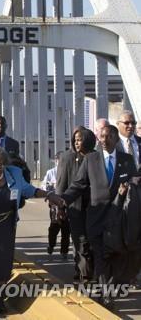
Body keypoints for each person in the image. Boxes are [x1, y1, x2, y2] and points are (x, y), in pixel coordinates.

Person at [0, 147, 62, 313]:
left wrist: (48, 195)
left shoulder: (14, 174)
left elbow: (29, 190)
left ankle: (0, 299)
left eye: (1, 164)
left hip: (5, 227)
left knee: (3, 265)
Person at [58, 125, 137, 309]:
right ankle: (106, 294)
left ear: (116, 139)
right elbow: (78, 185)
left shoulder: (127, 160)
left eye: (108, 136)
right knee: (101, 257)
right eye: (101, 136)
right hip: (97, 219)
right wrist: (62, 200)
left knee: (117, 258)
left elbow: (136, 182)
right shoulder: (91, 159)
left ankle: (108, 290)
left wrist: (129, 187)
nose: (104, 139)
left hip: (120, 220)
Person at [56, 127, 96, 282]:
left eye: (80, 139)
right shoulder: (67, 157)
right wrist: (59, 206)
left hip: (94, 206)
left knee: (91, 241)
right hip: (75, 206)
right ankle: (83, 273)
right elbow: (61, 183)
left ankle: (86, 271)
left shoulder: (95, 157)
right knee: (80, 241)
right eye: (75, 140)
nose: (77, 143)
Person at [42, 152, 70, 258]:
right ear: (56, 160)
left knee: (66, 229)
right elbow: (44, 185)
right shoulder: (51, 172)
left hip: (66, 203)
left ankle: (64, 251)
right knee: (54, 226)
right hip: (54, 205)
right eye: (59, 160)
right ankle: (51, 245)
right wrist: (50, 187)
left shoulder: (69, 171)